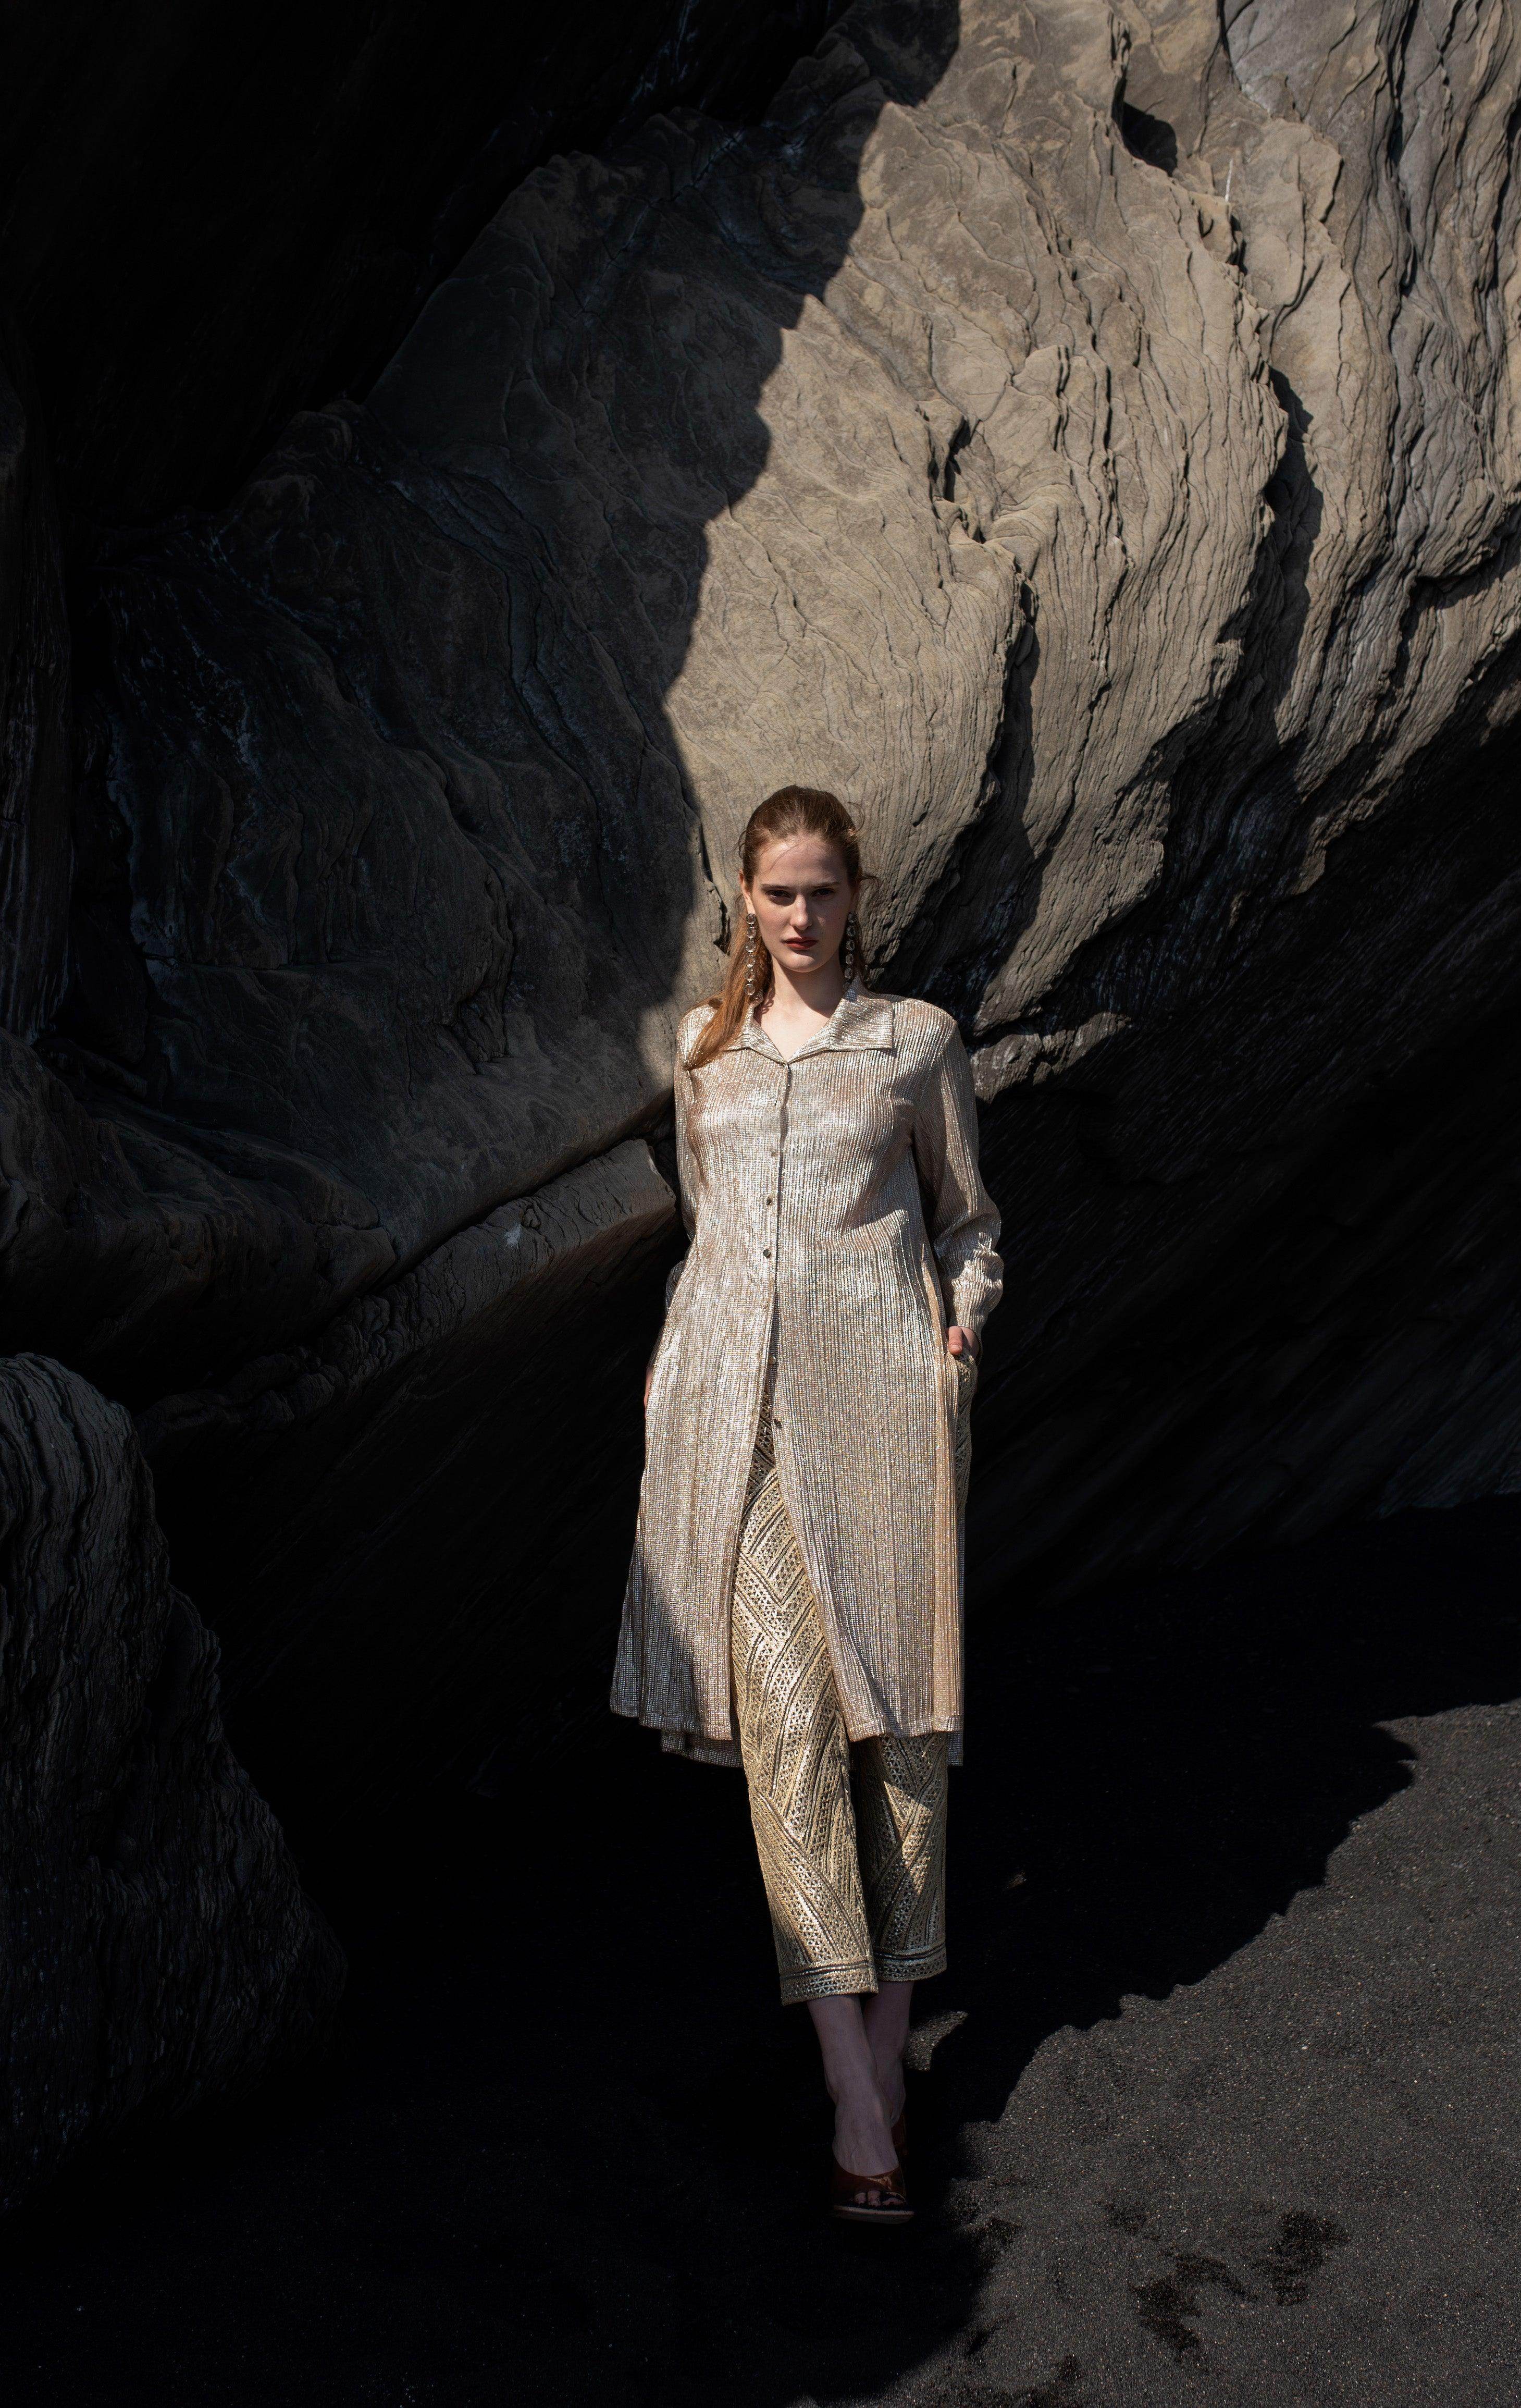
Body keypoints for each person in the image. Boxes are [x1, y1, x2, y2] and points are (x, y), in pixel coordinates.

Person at [610, 784, 1003, 2223]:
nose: (799, 915)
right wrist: (673, 1367)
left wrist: (959, 1329)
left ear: (855, 897)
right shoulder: (702, 1059)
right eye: (777, 892)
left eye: (820, 890)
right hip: (737, 1436)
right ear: (745, 899)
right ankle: (853, 2084)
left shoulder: (915, 1045)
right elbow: (706, 1243)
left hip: (885, 1425)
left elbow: (969, 1222)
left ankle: (888, 2048)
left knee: (900, 1740)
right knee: (783, 1738)